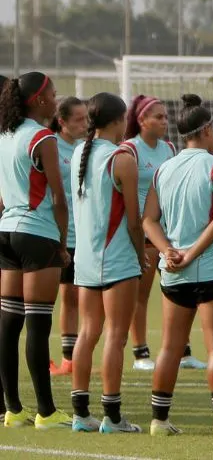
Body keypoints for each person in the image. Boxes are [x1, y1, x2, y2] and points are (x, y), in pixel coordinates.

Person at [144, 94, 213, 438]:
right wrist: (190, 255)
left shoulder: (165, 168)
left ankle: (158, 421)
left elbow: (148, 220)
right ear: (207, 129)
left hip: (172, 272)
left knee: (169, 347)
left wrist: (168, 252)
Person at [0, 71, 74, 429]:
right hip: (36, 232)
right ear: (38, 100)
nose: (57, 99)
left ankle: (12, 410)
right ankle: (46, 412)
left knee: (9, 321)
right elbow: (59, 198)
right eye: (53, 93)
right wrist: (62, 244)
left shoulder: (5, 134)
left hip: (6, 232)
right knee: (38, 324)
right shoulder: (43, 136)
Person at [69, 92, 146, 434]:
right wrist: (142, 252)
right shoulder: (122, 158)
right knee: (115, 336)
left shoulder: (77, 153)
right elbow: (133, 220)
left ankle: (80, 414)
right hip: (115, 260)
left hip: (85, 260)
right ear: (120, 120)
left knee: (88, 333)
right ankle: (112, 417)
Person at [122, 95, 205, 371]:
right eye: (158, 116)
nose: (164, 121)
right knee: (141, 294)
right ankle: (141, 353)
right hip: (143, 230)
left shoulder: (169, 148)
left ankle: (183, 351)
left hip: (169, 232)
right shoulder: (129, 149)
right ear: (141, 120)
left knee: (179, 291)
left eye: (166, 116)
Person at [49, 96, 88, 377]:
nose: (84, 124)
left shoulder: (86, 148)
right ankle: (55, 359)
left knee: (76, 296)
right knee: (51, 299)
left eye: (86, 118)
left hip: (84, 235)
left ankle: (71, 359)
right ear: (61, 122)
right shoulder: (49, 144)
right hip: (55, 234)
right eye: (78, 119)